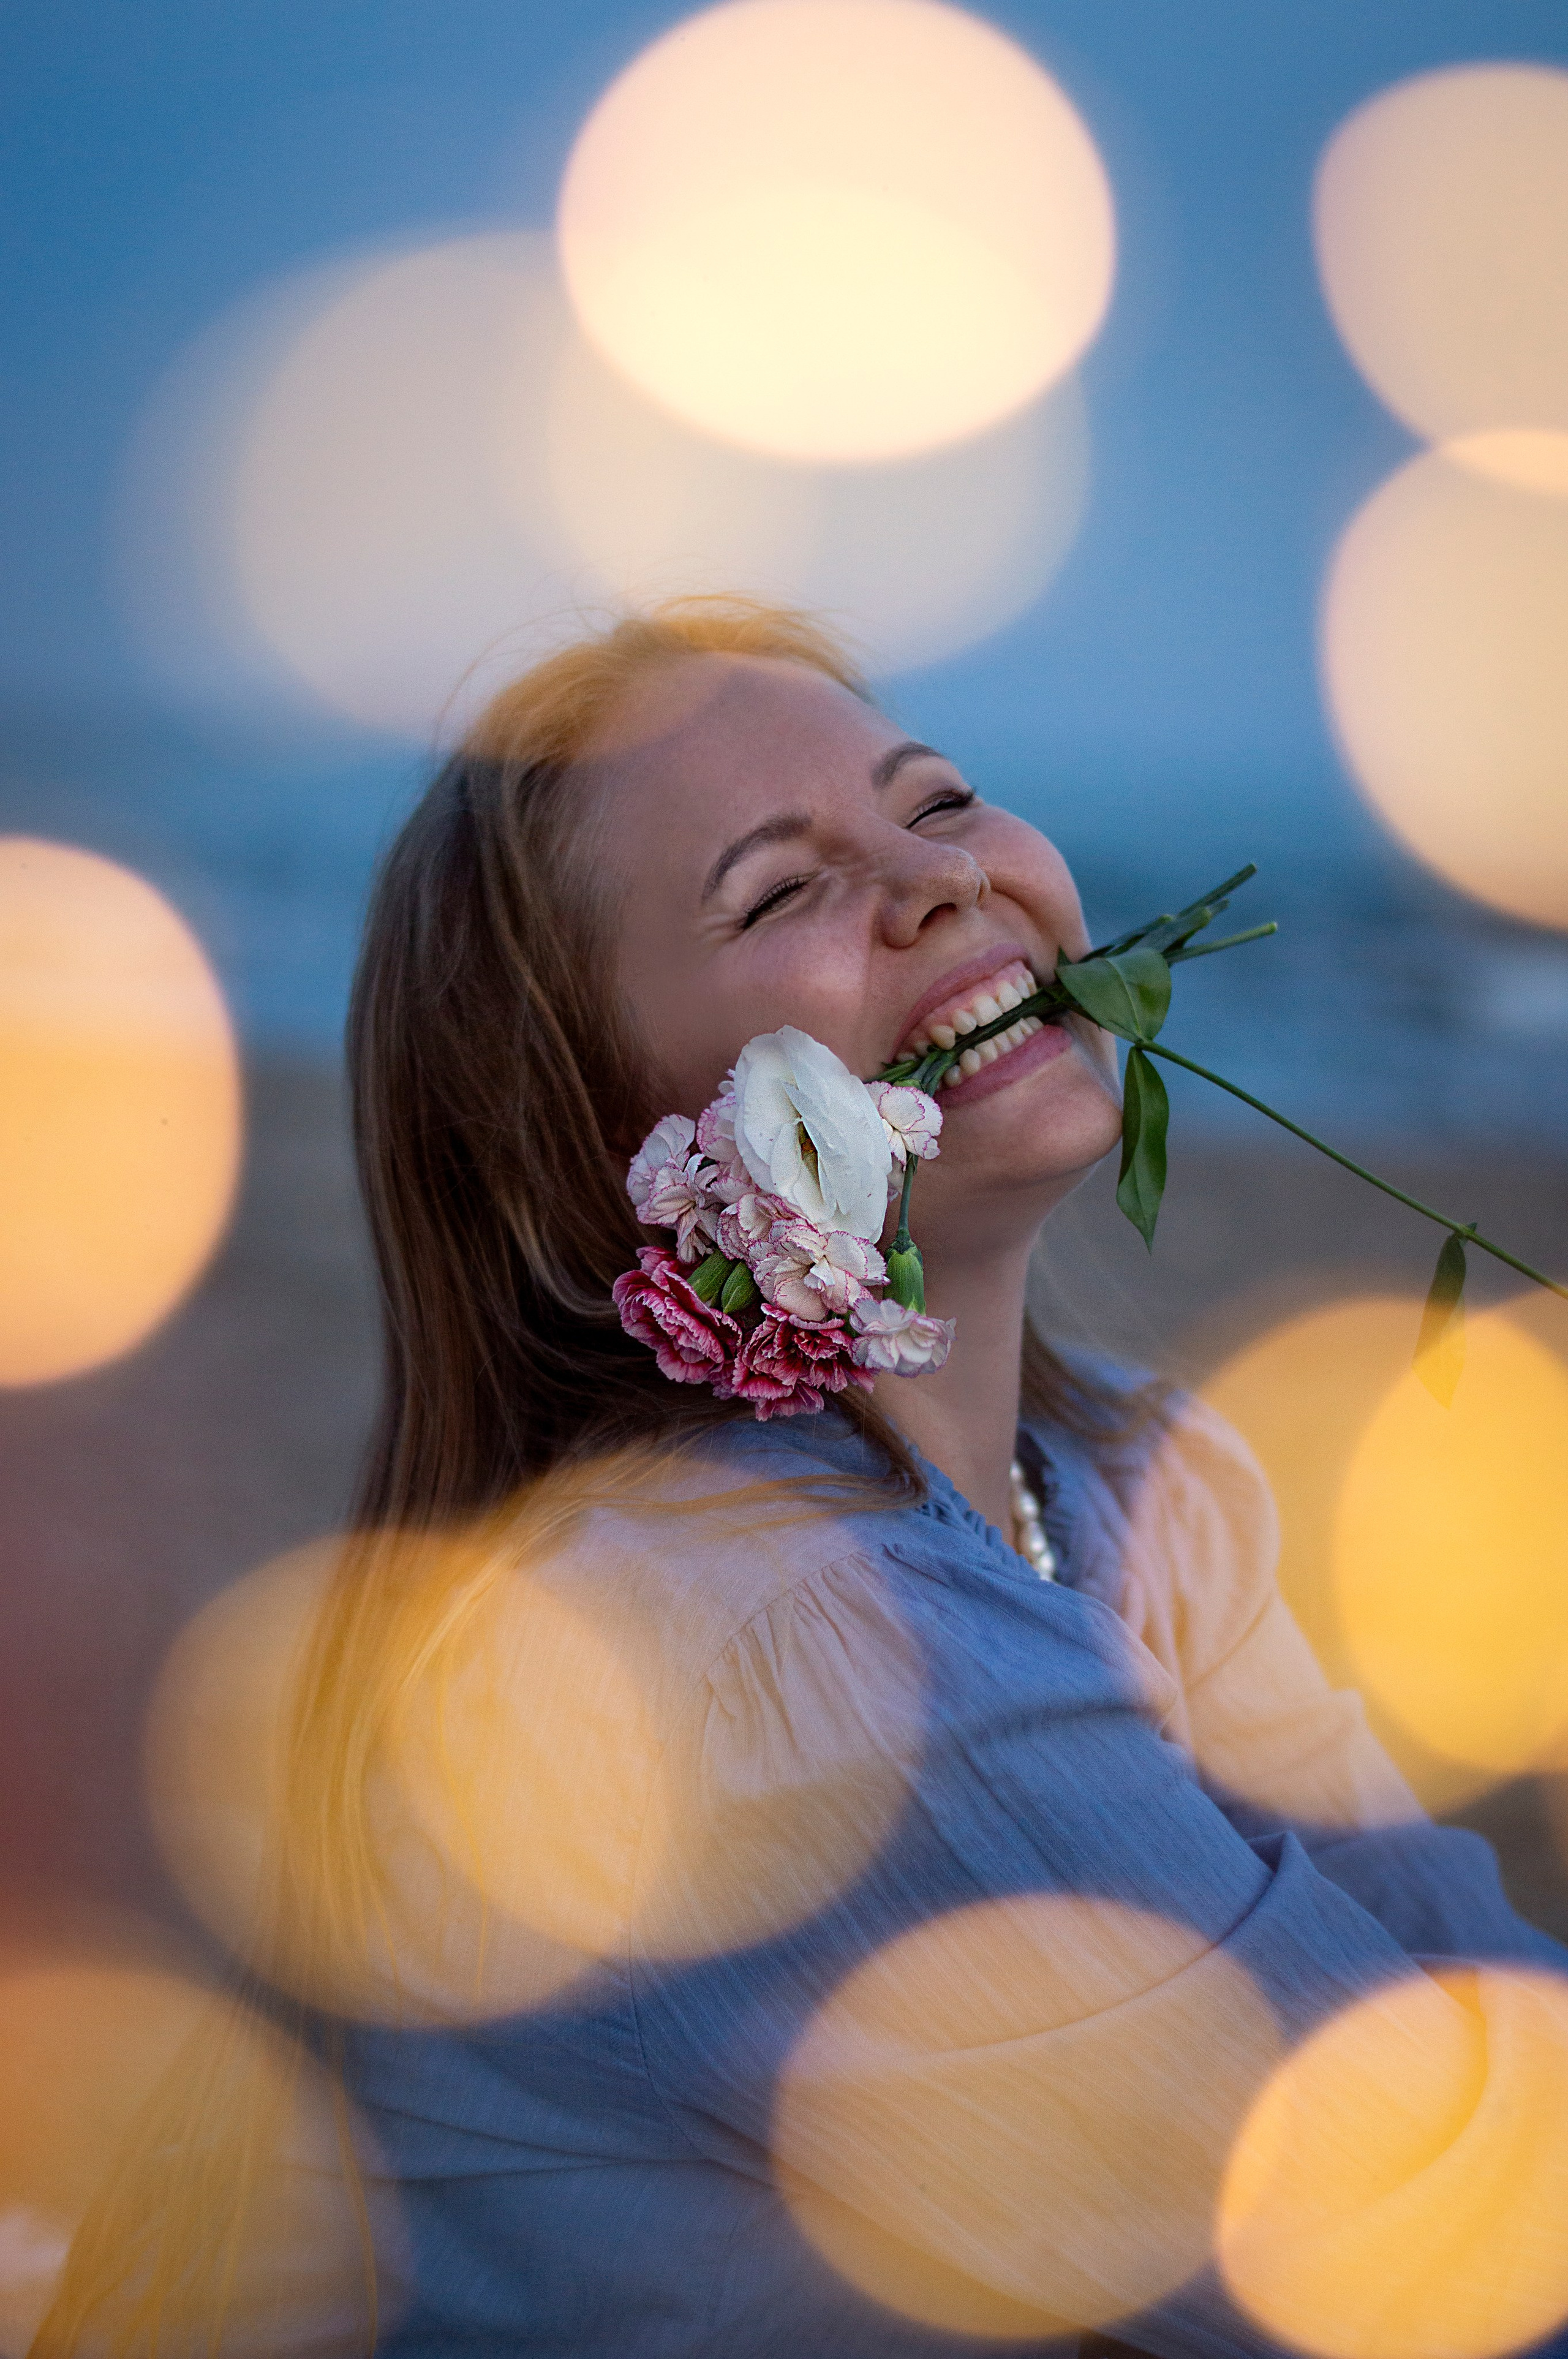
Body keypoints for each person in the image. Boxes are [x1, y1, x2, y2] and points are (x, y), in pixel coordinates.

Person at [38, 598, 1568, 2358]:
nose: (939, 886)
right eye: (774, 892)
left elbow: (1455, 1959)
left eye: (936, 804)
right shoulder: (759, 1640)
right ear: (594, 1141)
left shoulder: (1136, 1472)